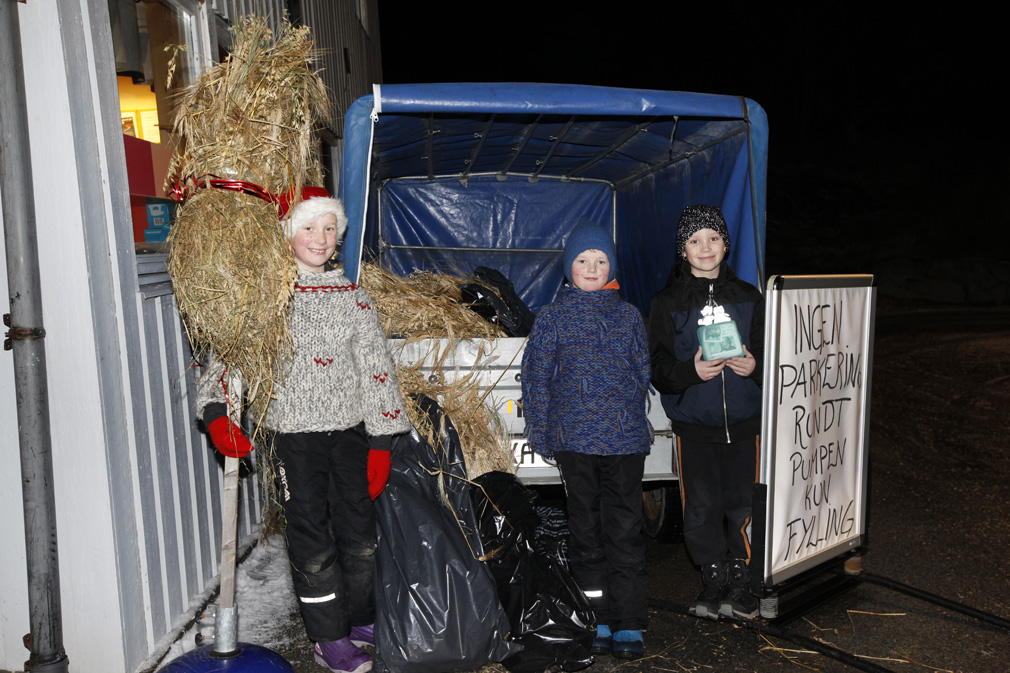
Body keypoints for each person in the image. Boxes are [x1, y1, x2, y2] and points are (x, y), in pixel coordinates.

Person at [197, 188, 410, 673]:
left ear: (340, 237)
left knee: (360, 537)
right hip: (293, 438)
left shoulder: (354, 299)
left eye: (330, 228)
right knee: (312, 542)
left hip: (351, 435)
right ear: (289, 234)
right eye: (309, 227)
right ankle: (327, 637)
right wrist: (217, 414)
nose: (320, 237)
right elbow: (231, 365)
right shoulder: (267, 301)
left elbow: (377, 370)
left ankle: (359, 619)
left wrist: (381, 441)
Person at [521, 218, 651, 660]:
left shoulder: (629, 315)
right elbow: (536, 379)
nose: (592, 267)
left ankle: (630, 621)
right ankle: (598, 618)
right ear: (568, 268)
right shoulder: (552, 318)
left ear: (611, 266)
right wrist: (540, 429)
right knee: (586, 531)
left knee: (625, 529)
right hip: (574, 441)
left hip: (625, 442)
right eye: (582, 260)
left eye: (600, 260)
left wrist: (629, 412)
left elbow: (642, 372)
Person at [647, 204, 764, 620]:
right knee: (700, 506)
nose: (705, 247)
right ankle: (713, 578)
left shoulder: (750, 297)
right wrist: (690, 372)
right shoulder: (666, 303)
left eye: (713, 238)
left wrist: (756, 368)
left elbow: (774, 356)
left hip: (746, 425)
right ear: (683, 250)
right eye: (694, 240)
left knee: (744, 504)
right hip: (694, 426)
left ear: (726, 244)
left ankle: (743, 581)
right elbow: (658, 367)